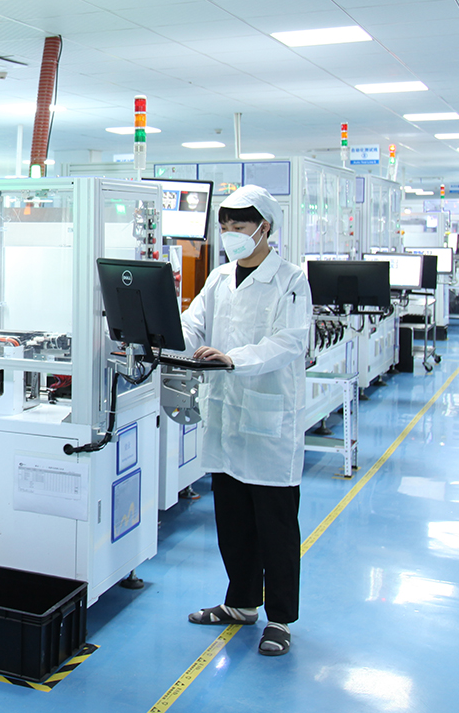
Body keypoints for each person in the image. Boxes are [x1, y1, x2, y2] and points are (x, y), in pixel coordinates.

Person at [180, 184, 312, 657]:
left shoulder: (290, 280)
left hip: (269, 420)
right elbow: (193, 323)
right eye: (226, 225)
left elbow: (290, 341)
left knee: (275, 528)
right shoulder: (219, 278)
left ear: (265, 227)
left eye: (240, 224)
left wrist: (234, 359)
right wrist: (162, 335)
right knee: (233, 521)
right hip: (226, 416)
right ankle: (240, 604)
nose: (231, 232)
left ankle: (280, 620)